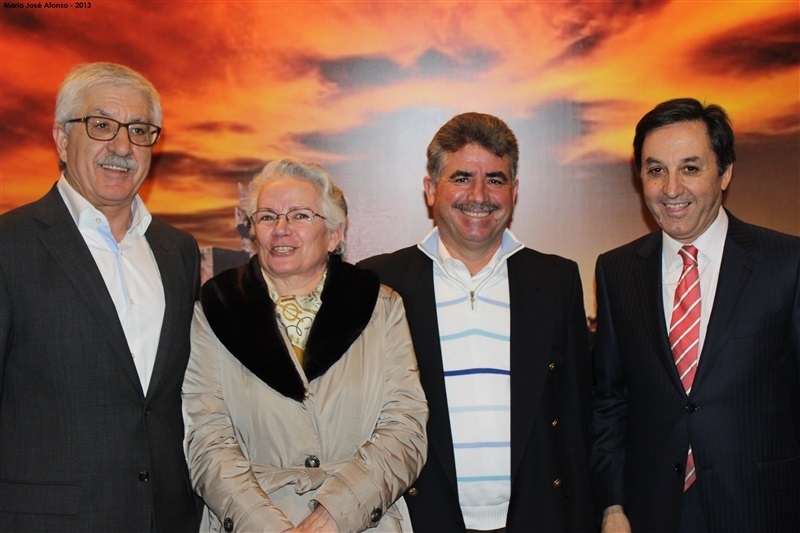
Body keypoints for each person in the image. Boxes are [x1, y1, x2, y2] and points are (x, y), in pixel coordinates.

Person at [359, 112, 594, 532]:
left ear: (514, 191)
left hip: (537, 519)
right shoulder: (379, 282)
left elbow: (577, 419)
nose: (479, 194)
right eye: (462, 178)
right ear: (431, 189)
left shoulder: (556, 280)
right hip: (418, 521)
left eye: (496, 179)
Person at [0, 63, 200, 531]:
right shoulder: (9, 245)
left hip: (168, 518)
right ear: (61, 139)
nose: (123, 146)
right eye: (102, 125)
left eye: (139, 130)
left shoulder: (178, 251)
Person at [182, 158, 428, 532]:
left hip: (361, 522)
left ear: (333, 235)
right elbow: (207, 440)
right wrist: (267, 526)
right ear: (253, 232)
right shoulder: (216, 309)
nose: (281, 229)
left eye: (300, 215)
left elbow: (404, 429)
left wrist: (334, 516)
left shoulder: (381, 307)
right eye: (267, 217)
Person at [591, 98, 800, 532]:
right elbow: (609, 401)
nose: (671, 189)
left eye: (690, 168)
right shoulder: (616, 271)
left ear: (725, 173)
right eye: (655, 170)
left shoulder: (786, 263)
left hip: (764, 510)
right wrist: (613, 505)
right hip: (651, 513)